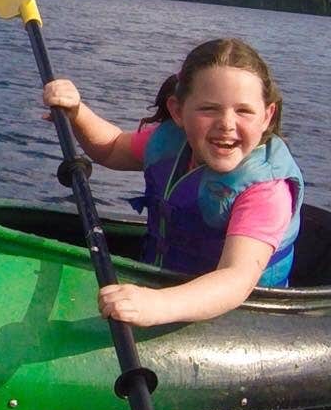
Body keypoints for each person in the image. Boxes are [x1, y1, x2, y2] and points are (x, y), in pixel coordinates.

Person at [43, 37, 304, 328]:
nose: (226, 123)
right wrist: (77, 112)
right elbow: (113, 147)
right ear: (178, 111)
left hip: (246, 317)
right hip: (166, 283)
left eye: (243, 111)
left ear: (267, 116)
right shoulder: (172, 142)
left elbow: (236, 278)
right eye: (209, 109)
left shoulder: (266, 190)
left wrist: (156, 305)